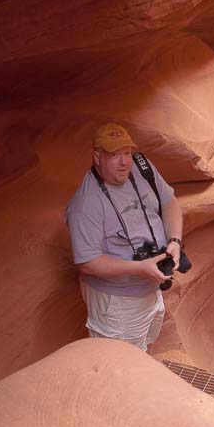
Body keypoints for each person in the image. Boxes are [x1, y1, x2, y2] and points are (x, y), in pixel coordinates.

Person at [66, 122, 184, 351]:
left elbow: (169, 202)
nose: (124, 162)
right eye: (114, 155)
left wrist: (175, 241)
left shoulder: (142, 167)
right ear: (97, 157)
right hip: (117, 303)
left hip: (150, 289)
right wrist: (139, 268)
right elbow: (87, 264)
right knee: (117, 364)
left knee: (142, 350)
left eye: (127, 153)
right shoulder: (85, 204)